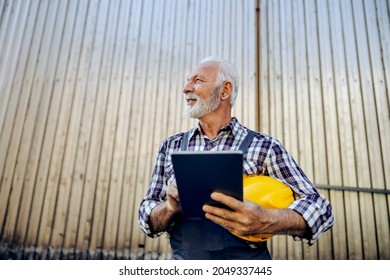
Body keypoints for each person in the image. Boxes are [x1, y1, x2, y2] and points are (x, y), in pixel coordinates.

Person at [138, 56, 334, 260]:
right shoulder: (171, 146)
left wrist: (268, 219)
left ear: (225, 90)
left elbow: (321, 209)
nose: (186, 88)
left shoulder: (265, 147)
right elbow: (146, 218)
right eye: (188, 80)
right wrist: (169, 208)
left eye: (197, 80)